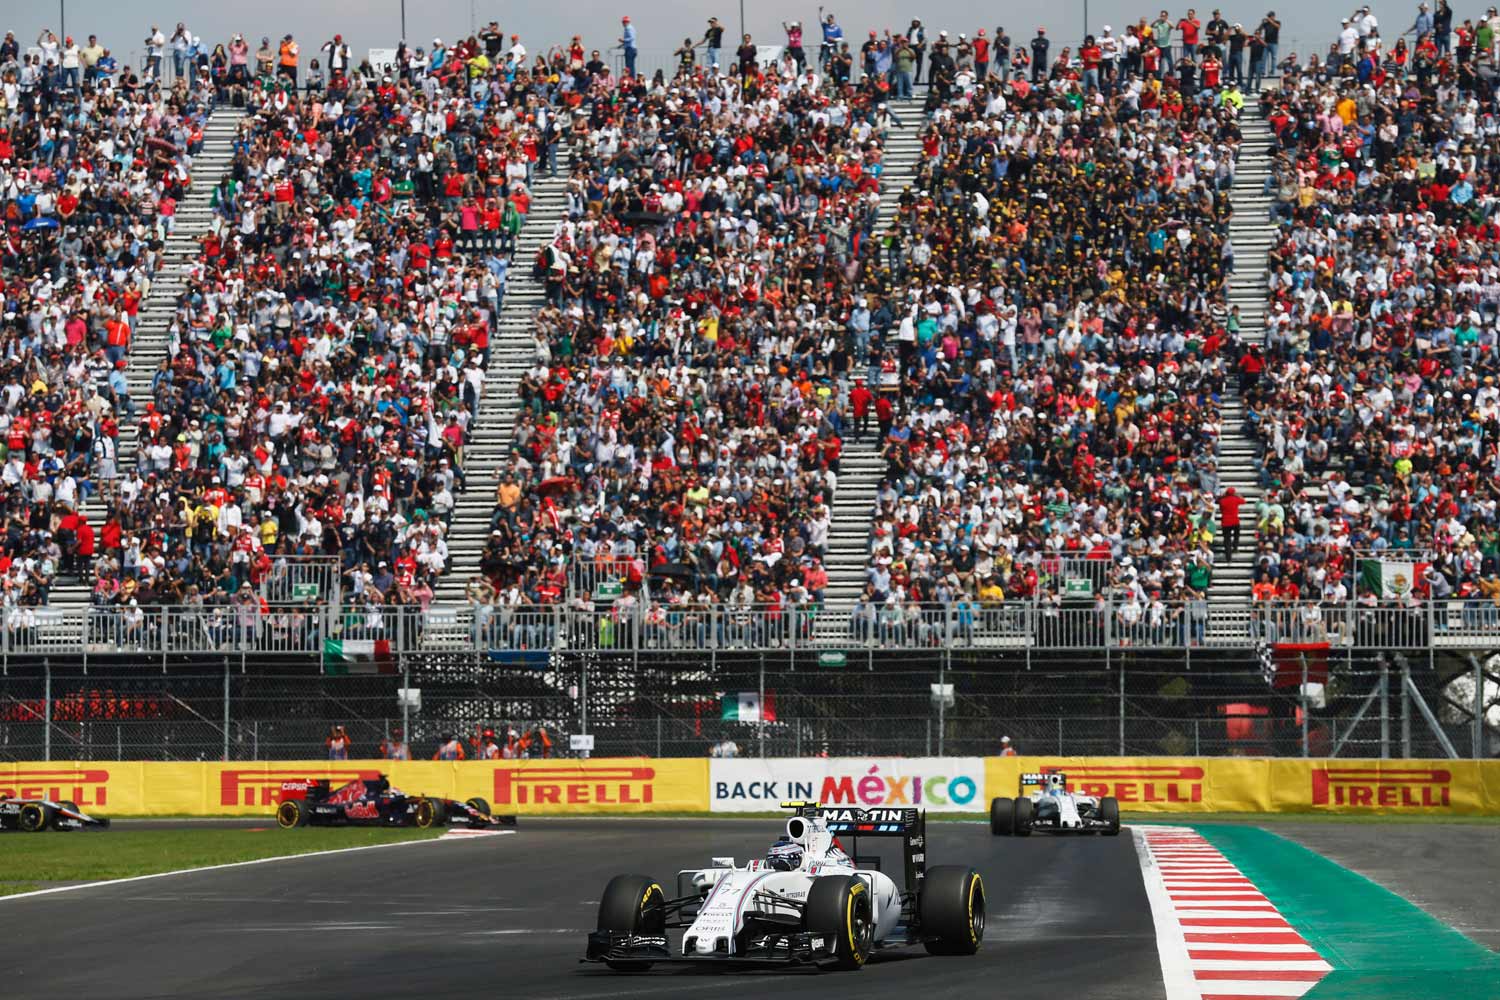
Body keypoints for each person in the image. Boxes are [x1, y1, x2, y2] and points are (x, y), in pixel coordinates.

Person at [1219, 487, 1247, 563]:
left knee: (1227, 540)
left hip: (1225, 521)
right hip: (1235, 521)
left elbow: (1221, 509)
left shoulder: (1222, 500)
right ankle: (1235, 547)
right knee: (1236, 535)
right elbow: (1244, 501)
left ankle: (1229, 558)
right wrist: (1238, 495)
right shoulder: (1235, 499)